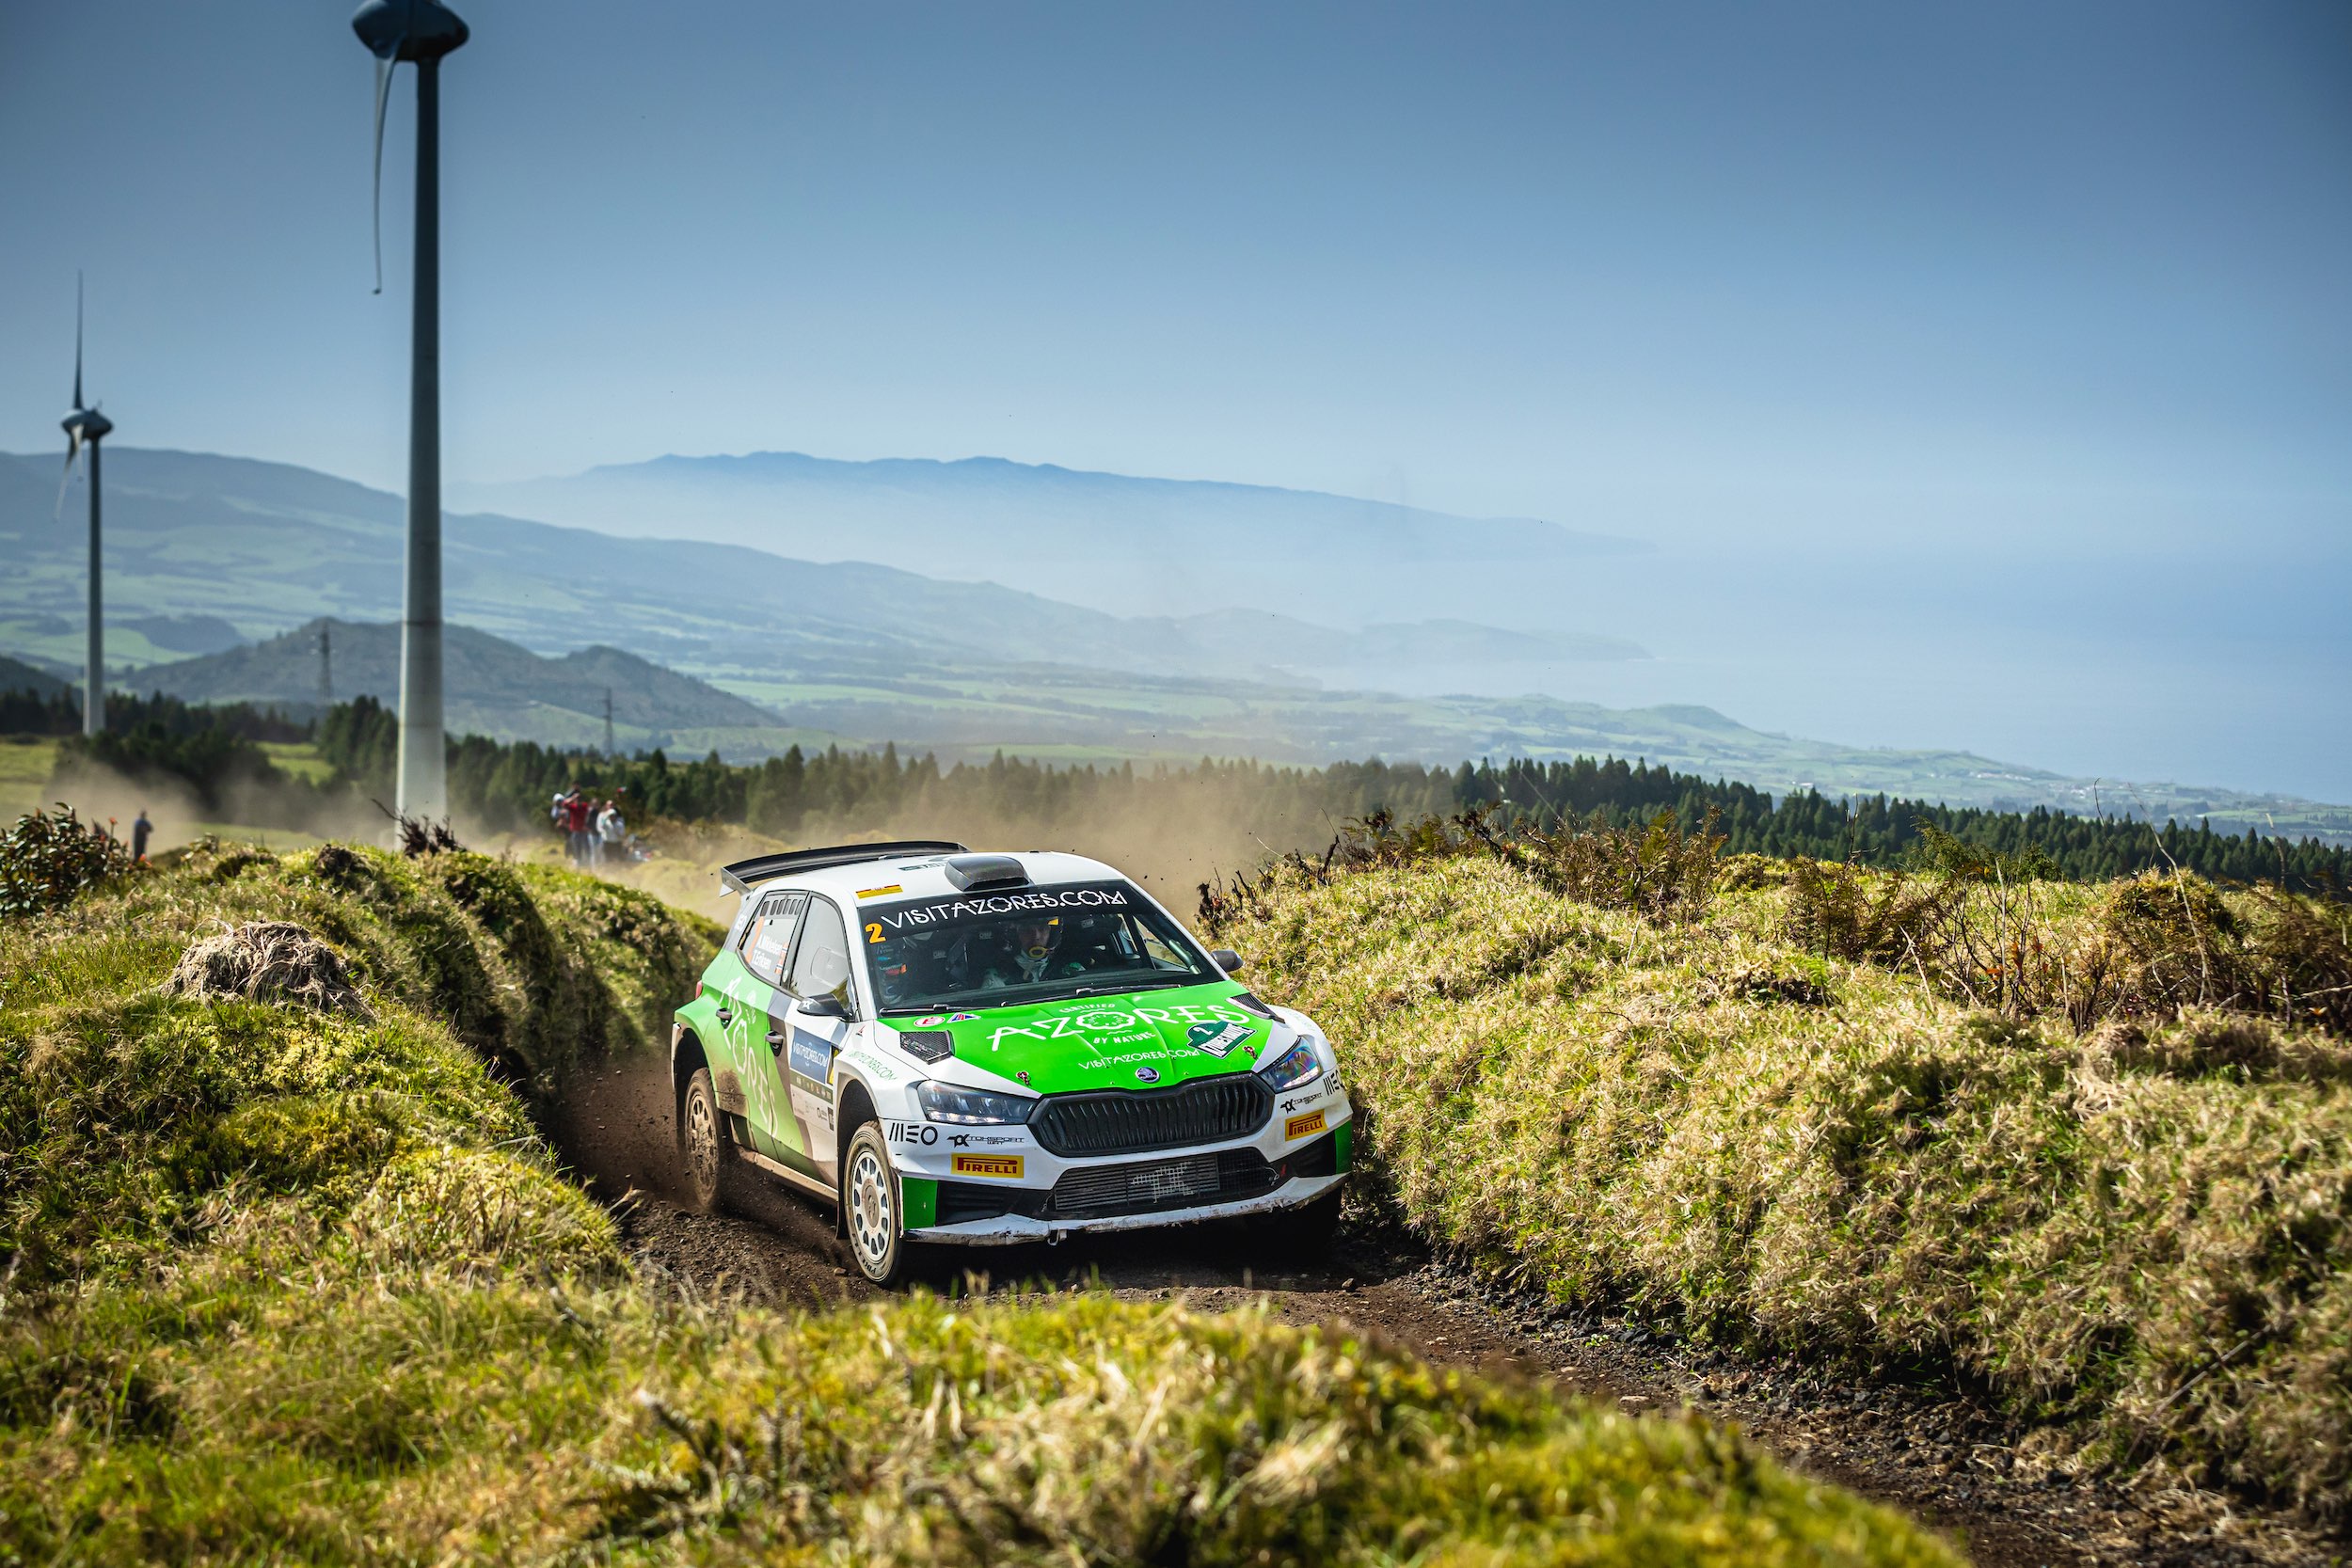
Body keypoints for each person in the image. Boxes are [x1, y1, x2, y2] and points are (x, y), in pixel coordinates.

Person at [597, 799, 627, 866]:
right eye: (610, 816)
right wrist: (605, 818)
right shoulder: (606, 824)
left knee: (618, 858)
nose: (612, 817)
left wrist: (617, 832)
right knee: (607, 859)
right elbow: (601, 827)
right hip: (607, 843)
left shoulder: (619, 824)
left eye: (613, 816)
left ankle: (618, 869)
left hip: (617, 843)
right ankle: (608, 869)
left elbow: (622, 834)